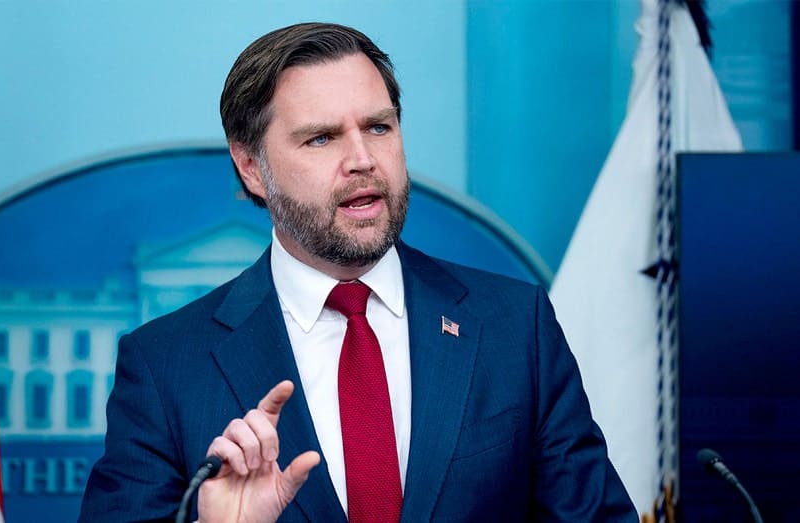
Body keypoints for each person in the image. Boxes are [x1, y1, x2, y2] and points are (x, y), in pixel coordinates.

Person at [79, 22, 637, 523]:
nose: (363, 159)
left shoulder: (515, 326)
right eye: (321, 138)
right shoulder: (165, 365)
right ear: (251, 168)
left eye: (377, 127)